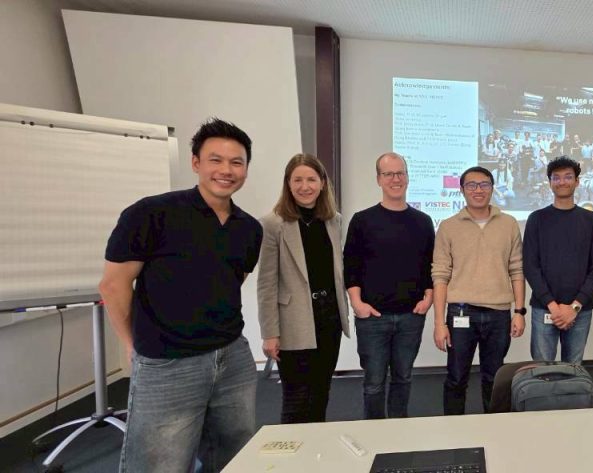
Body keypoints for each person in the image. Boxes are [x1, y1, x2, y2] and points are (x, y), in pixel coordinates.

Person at [99, 118, 262, 472]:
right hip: (168, 362)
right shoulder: (151, 213)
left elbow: (231, 281)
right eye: (216, 160)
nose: (226, 170)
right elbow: (113, 285)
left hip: (232, 356)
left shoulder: (249, 228)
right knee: (161, 463)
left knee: (235, 455)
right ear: (195, 163)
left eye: (236, 162)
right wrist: (132, 344)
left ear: (246, 169)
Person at [257, 153, 351, 424]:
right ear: (288, 184)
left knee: (321, 391)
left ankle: (316, 445)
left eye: (311, 179)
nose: (305, 186)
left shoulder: (334, 220)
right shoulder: (273, 224)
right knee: (296, 398)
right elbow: (266, 283)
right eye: (297, 180)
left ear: (322, 183)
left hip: (329, 317)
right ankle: (293, 448)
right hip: (293, 321)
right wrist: (269, 333)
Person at [342, 152, 435, 419]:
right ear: (378, 179)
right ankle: (374, 431)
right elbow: (351, 266)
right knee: (373, 382)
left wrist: (428, 298)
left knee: (403, 378)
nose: (396, 179)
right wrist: (357, 304)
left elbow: (430, 265)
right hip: (373, 317)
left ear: (407, 177)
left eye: (400, 173)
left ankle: (398, 429)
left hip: (411, 316)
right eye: (389, 174)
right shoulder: (362, 220)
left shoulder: (423, 221)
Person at [432, 166, 526, 414]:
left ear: (492, 189)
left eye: (484, 184)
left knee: (495, 379)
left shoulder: (508, 224)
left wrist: (519, 312)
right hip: (461, 313)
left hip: (499, 314)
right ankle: (453, 427)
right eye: (471, 185)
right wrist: (439, 323)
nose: (478, 190)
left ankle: (494, 428)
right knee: (456, 377)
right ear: (462, 190)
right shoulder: (448, 226)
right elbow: (440, 275)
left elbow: (517, 269)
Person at [523, 157, 593, 362]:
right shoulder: (537, 219)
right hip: (544, 308)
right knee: (542, 368)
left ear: (577, 181)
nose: (562, 182)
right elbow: (531, 267)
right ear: (550, 182)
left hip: (580, 310)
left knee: (573, 369)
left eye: (568, 177)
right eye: (556, 177)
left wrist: (574, 307)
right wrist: (553, 306)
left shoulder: (592, 220)